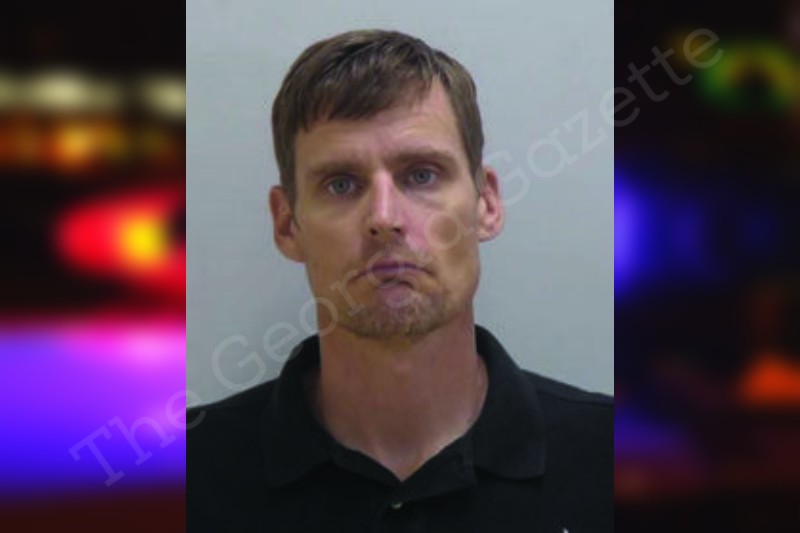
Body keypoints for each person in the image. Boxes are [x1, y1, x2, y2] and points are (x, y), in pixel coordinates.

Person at [187, 29, 612, 532]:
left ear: (486, 204)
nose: (384, 218)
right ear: (287, 225)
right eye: (341, 184)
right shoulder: (186, 478)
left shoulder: (612, 462)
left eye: (421, 175)